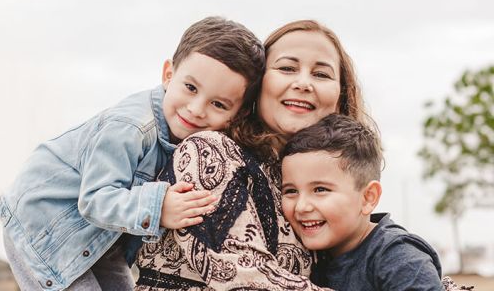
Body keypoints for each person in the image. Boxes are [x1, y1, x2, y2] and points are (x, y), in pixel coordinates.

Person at [0, 16, 264, 290]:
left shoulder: (203, 143)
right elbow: (95, 199)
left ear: (238, 114)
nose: (196, 109)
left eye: (218, 104)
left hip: (100, 235)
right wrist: (159, 208)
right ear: (168, 75)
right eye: (190, 88)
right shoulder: (130, 128)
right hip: (45, 222)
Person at [134, 19, 369, 290]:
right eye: (287, 68)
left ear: (340, 95)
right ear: (256, 86)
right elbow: (245, 278)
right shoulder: (207, 152)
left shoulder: (332, 186)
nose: (304, 83)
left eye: (321, 74)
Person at [279, 114, 444, 290]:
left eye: (320, 190)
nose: (301, 206)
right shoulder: (315, 256)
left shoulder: (399, 258)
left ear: (368, 198)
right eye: (291, 191)